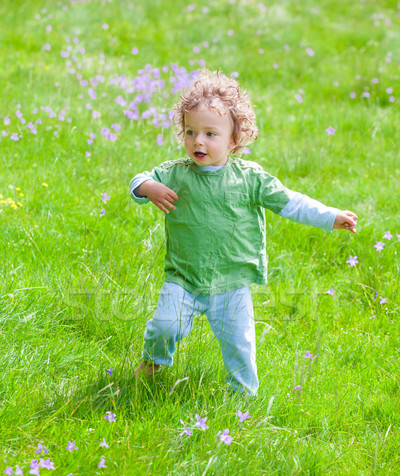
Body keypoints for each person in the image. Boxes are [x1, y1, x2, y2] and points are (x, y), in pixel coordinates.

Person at [129, 69, 357, 396]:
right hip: (184, 276)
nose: (198, 141)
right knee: (165, 326)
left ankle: (243, 398)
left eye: (210, 133)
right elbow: (138, 180)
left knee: (240, 344)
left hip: (231, 280)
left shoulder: (249, 179)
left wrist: (330, 216)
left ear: (234, 139)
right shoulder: (176, 174)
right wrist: (147, 187)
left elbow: (290, 201)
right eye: (191, 131)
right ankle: (154, 362)